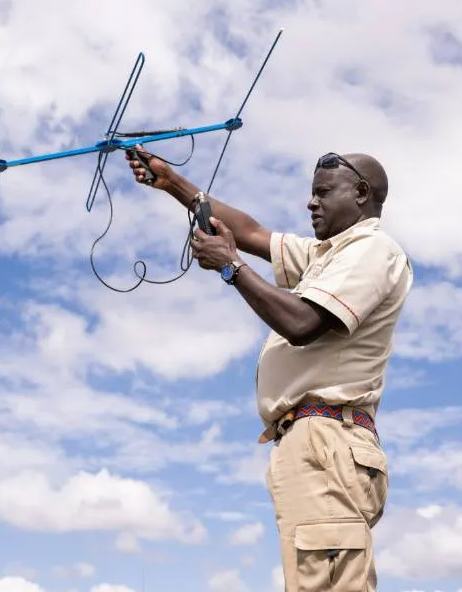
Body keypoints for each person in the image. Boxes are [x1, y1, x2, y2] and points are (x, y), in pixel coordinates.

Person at [126, 147, 413, 592]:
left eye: (322, 193)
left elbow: (302, 323)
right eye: (310, 193)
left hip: (328, 438)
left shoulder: (372, 249)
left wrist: (230, 266)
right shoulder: (326, 255)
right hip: (315, 441)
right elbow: (250, 232)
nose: (310, 203)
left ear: (360, 193)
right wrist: (173, 183)